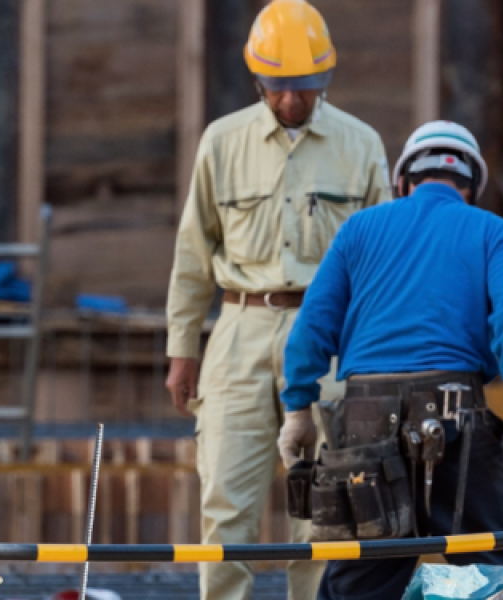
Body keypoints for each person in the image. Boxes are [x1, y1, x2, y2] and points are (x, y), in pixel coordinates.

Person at [164, 2, 391, 598]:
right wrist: (182, 349)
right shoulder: (221, 142)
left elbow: (380, 267)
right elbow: (194, 253)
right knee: (225, 503)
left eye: (305, 88)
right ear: (258, 79)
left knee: (326, 508)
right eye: (279, 87)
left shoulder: (361, 145)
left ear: (326, 80)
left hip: (330, 339)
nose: (292, 100)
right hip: (238, 329)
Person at [279, 121, 503, 600]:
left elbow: (312, 326)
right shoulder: (490, 230)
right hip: (455, 421)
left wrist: (298, 407)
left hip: (365, 427)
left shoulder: (358, 230)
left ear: (402, 182)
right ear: (470, 188)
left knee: (358, 582)